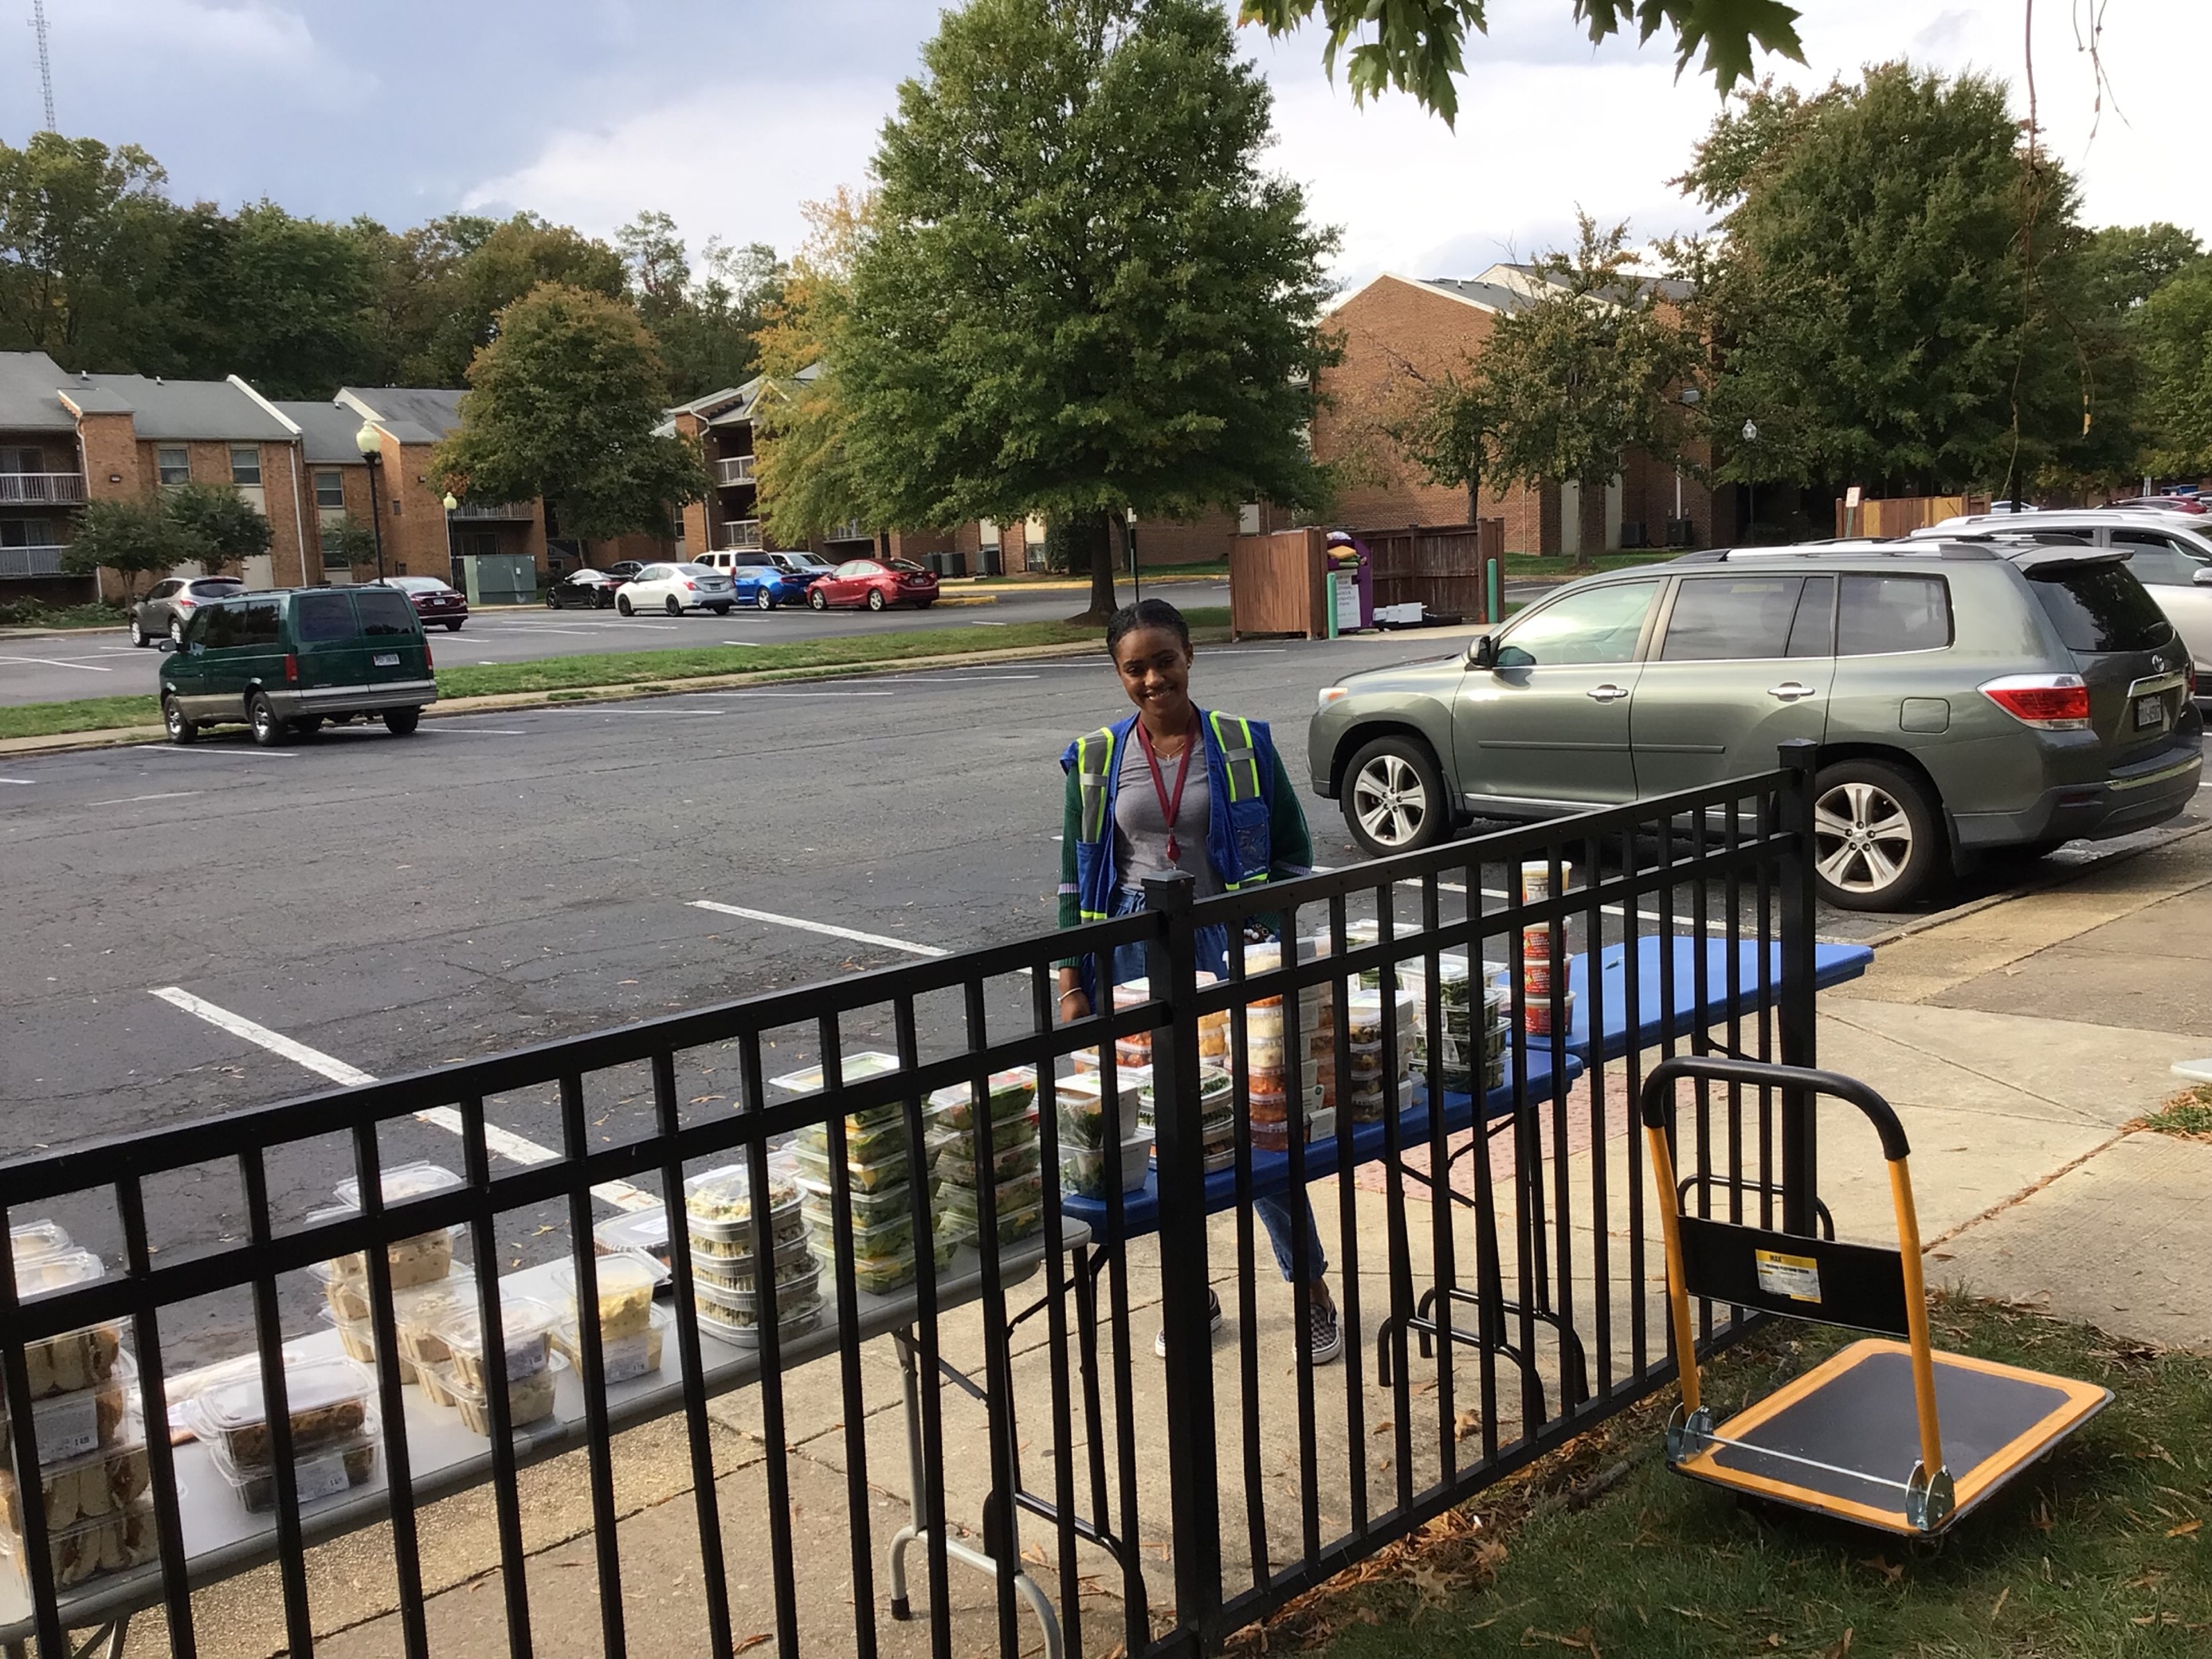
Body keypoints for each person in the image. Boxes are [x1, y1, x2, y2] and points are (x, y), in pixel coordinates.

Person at [1053, 598, 1343, 1364]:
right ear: (1120, 674)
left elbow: (1293, 851)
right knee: (1156, 1134)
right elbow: (1071, 874)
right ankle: (1193, 1290)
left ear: (1190, 656)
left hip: (1224, 951)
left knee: (1257, 1126)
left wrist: (1266, 940)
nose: (1152, 679)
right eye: (1134, 668)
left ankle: (1309, 1288)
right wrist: (1069, 981)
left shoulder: (1243, 745)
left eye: (1164, 661)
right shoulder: (1094, 759)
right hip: (1129, 960)